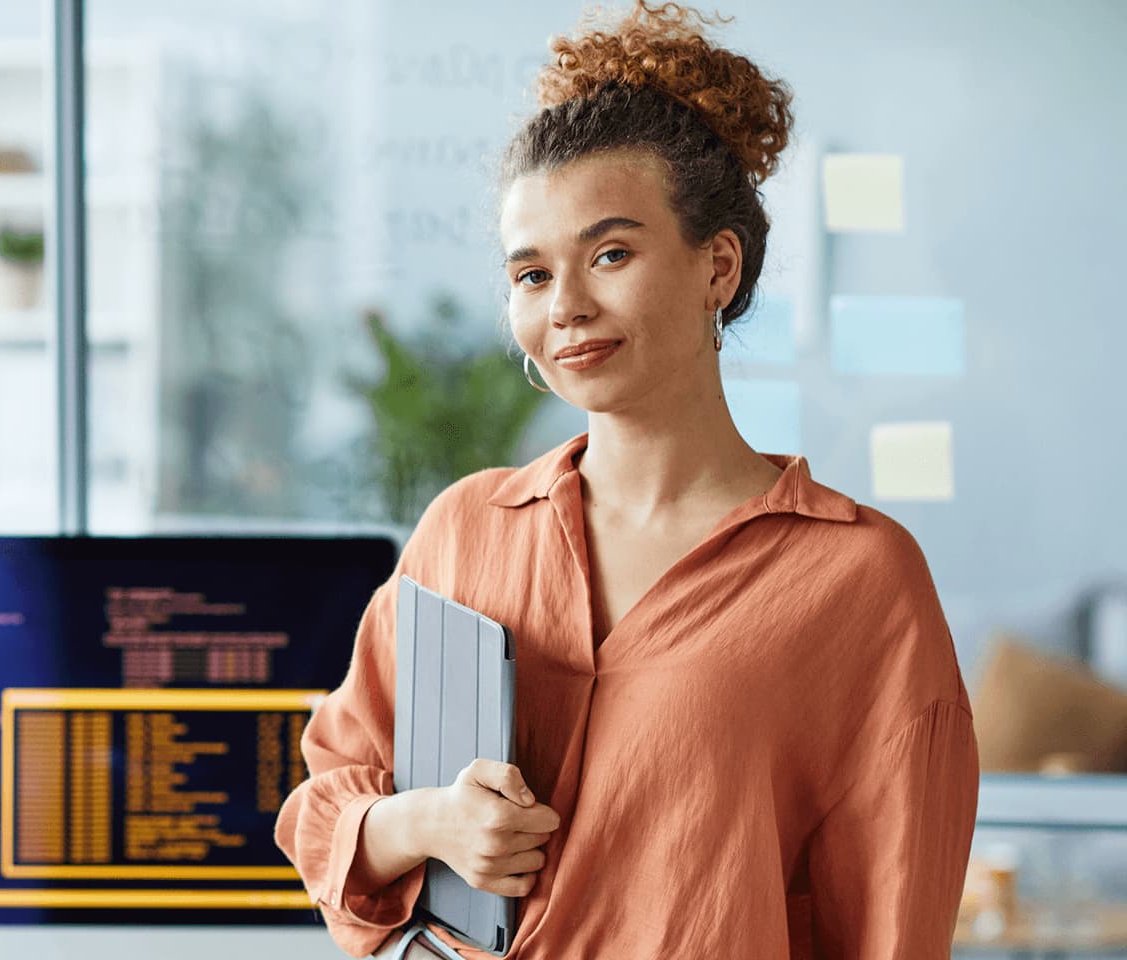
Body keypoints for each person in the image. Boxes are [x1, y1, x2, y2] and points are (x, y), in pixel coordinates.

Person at [273, 3, 979, 957]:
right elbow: (326, 805)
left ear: (717, 267)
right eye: (530, 274)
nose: (565, 307)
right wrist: (432, 823)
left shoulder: (861, 583)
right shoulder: (467, 529)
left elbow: (893, 928)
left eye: (611, 254)